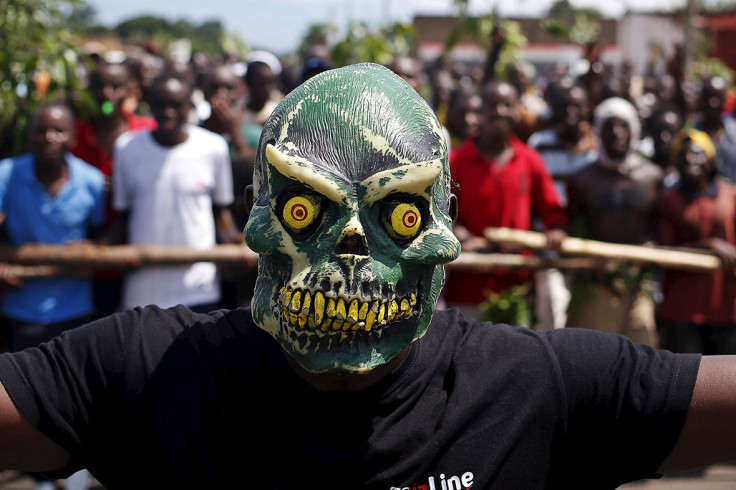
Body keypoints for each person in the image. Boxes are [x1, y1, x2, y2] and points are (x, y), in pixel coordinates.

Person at [1, 64, 736, 489]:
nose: (351, 250)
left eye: (401, 217)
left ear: (440, 229)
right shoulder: (144, 373)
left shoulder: (536, 390)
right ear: (258, 217)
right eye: (303, 207)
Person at [0, 102, 104, 490]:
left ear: (73, 139)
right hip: (21, 307)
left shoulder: (90, 180)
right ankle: (39, 475)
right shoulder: (7, 175)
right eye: (42, 130)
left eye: (59, 131)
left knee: (72, 399)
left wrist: (91, 249)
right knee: (25, 400)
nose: (50, 138)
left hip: (75, 308)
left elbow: (100, 234)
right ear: (30, 135)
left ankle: (71, 475)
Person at [109, 72, 244, 313]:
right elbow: (123, 214)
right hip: (143, 287)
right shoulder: (127, 148)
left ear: (190, 107)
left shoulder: (213, 148)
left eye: (176, 105)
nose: (168, 112)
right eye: (161, 105)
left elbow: (220, 211)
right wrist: (99, 248)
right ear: (150, 106)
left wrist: (233, 239)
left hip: (198, 286)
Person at [444, 80, 568, 321]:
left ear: (516, 111)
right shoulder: (456, 161)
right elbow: (438, 216)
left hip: (516, 287)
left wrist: (556, 230)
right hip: (468, 289)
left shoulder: (529, 160)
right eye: (493, 105)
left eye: (507, 105)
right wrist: (461, 236)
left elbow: (554, 212)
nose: (500, 111)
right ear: (481, 111)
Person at [566, 97, 664, 347]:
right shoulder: (582, 180)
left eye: (623, 126)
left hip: (638, 285)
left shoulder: (652, 177)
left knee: (643, 360)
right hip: (594, 282)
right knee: (589, 361)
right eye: (609, 127)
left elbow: (661, 224)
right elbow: (570, 224)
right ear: (598, 132)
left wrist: (653, 244)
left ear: (634, 131)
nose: (617, 133)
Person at [71, 60, 157, 319]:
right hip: (86, 257)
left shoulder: (149, 131)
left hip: (139, 255)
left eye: (115, 87)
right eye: (100, 86)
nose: (107, 94)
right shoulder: (72, 134)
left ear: (130, 89)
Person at [656, 128, 736, 355]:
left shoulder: (730, 196)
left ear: (710, 160)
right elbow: (665, 252)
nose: (691, 159)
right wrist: (709, 245)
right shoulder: (668, 201)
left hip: (727, 308)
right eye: (683, 155)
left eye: (698, 154)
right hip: (683, 309)